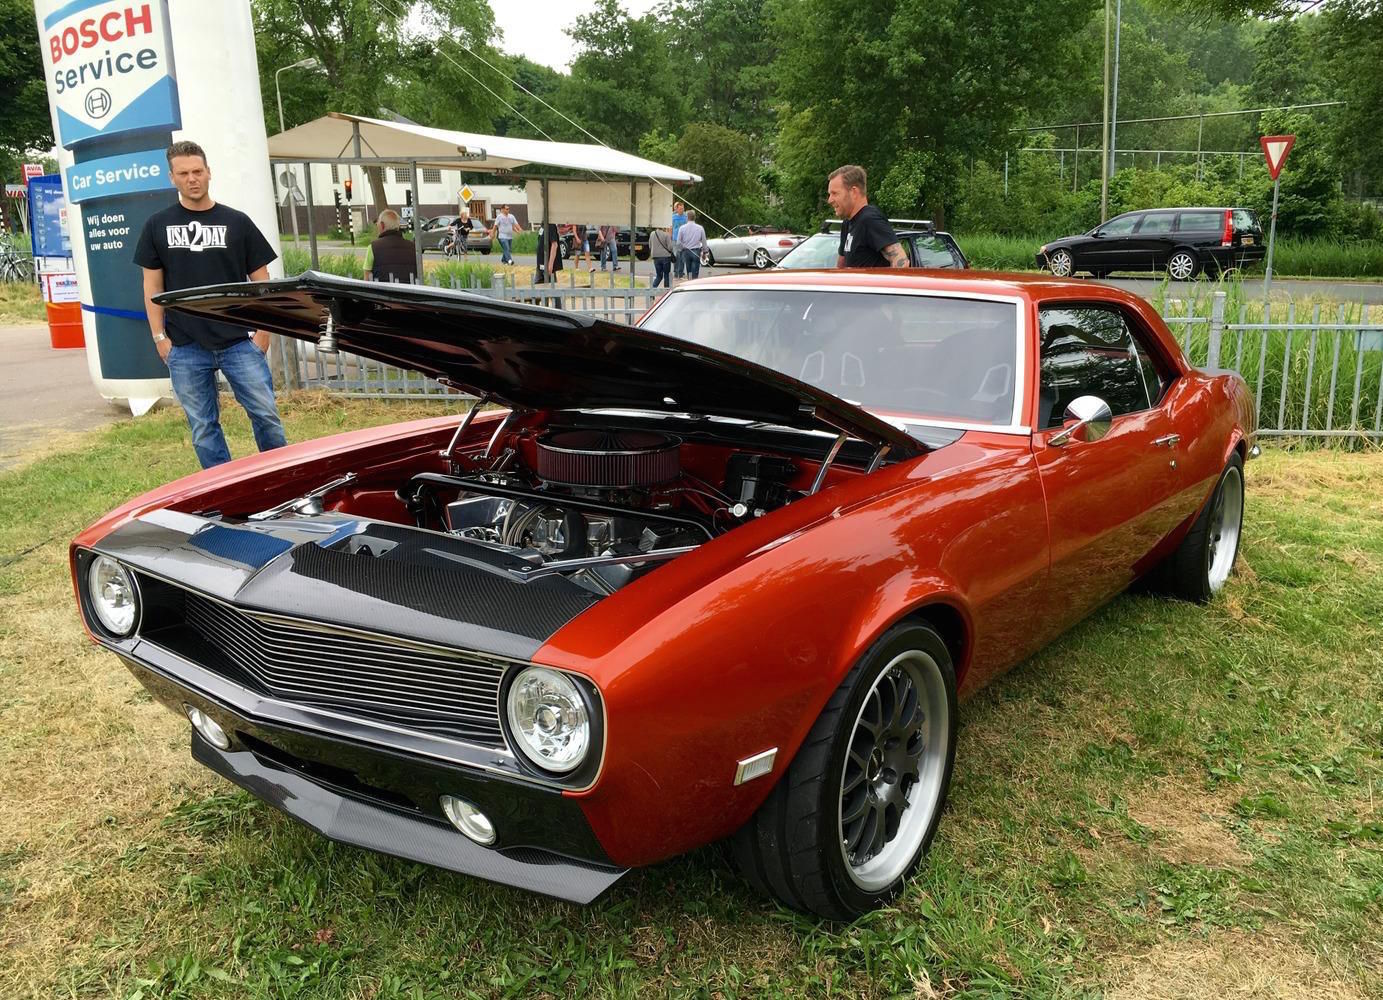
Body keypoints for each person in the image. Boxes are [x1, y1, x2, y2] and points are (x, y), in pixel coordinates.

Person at [135, 140, 286, 469]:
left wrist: (264, 330)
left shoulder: (237, 222)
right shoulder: (156, 225)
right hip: (185, 346)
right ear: (172, 178)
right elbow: (152, 286)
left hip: (238, 341)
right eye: (184, 173)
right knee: (204, 428)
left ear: (209, 173)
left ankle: (283, 479)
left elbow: (262, 280)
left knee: (267, 416)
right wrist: (159, 338)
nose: (192, 178)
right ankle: (225, 490)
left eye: (198, 171)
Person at [826, 165, 908, 268]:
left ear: (854, 192)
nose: (830, 200)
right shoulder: (847, 223)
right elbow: (841, 266)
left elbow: (901, 262)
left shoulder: (869, 219)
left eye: (835, 193)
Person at [365, 209, 417, 283]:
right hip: (408, 292)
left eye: (377, 224)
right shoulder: (412, 247)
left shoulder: (373, 247)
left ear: (382, 225)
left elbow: (367, 277)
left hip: (381, 293)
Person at [675, 209, 706, 281]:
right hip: (696, 251)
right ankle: (694, 283)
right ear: (694, 217)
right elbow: (704, 241)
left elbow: (678, 242)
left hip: (686, 251)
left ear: (687, 217)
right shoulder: (700, 228)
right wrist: (705, 251)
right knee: (695, 272)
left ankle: (690, 283)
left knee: (689, 271)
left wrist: (681, 250)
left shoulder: (682, 228)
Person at [671, 201, 688, 278]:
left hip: (683, 240)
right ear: (676, 209)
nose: (682, 210)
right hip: (675, 239)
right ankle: (676, 271)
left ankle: (681, 272)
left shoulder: (686, 217)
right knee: (676, 255)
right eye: (680, 208)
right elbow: (670, 227)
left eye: (683, 208)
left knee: (682, 256)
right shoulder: (673, 217)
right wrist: (670, 237)